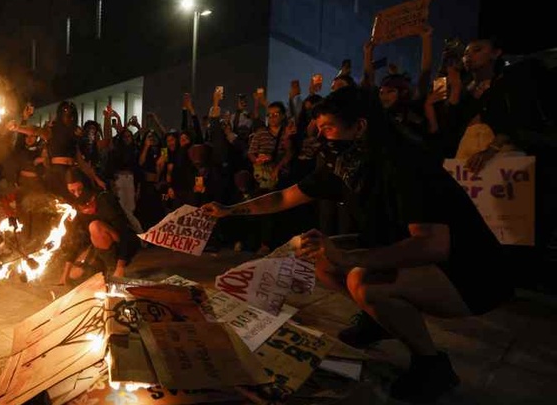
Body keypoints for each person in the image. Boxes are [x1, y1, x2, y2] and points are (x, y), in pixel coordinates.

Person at [203, 86, 513, 403]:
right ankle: (378, 319)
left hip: (468, 274)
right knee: (316, 256)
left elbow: (432, 245)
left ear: (360, 126)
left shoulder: (403, 162)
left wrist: (349, 257)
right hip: (419, 255)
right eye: (318, 128)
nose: (321, 137)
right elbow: (285, 196)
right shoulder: (347, 162)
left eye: (328, 128)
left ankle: (432, 364)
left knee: (363, 281)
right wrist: (229, 211)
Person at [58, 169, 140, 285]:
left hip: (123, 243)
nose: (77, 194)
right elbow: (77, 240)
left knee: (94, 226)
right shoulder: (76, 207)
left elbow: (124, 232)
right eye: (72, 191)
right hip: (98, 246)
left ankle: (112, 269)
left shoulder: (104, 199)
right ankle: (101, 268)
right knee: (75, 275)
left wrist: (120, 267)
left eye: (80, 189)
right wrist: (65, 274)